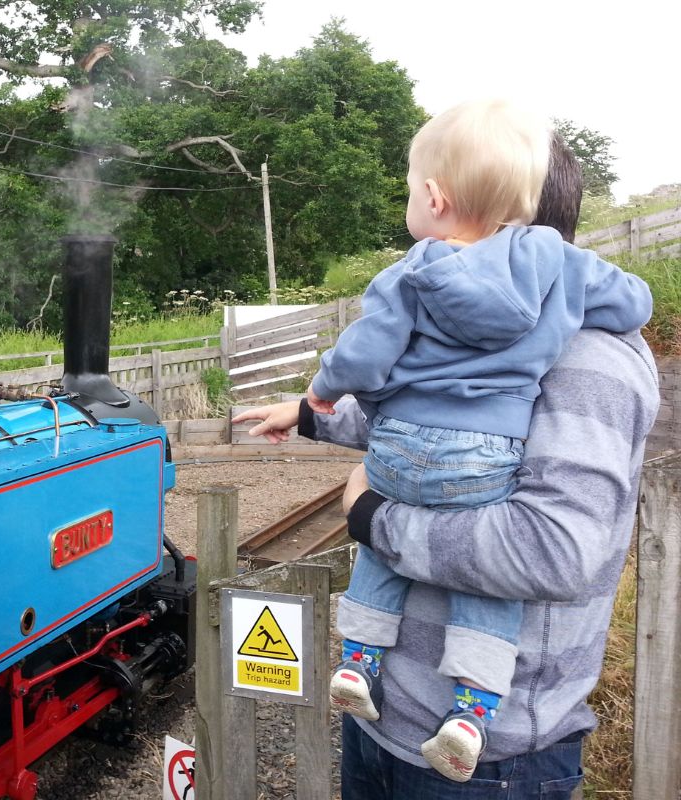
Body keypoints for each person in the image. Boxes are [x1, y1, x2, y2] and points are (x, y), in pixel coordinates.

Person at [233, 123, 657, 795]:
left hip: (493, 764)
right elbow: (421, 420)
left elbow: (555, 551)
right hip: (381, 726)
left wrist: (372, 518)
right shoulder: (463, 328)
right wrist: (309, 416)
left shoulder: (589, 358)